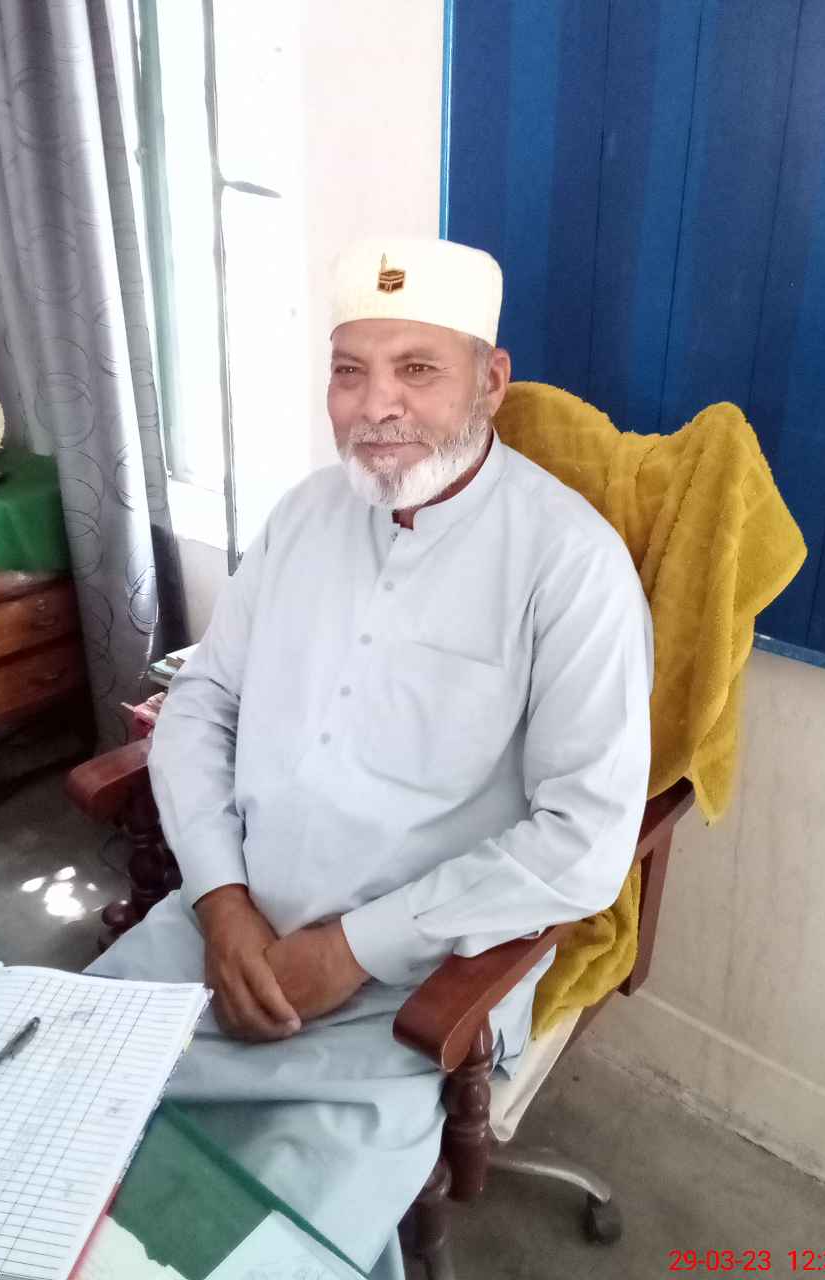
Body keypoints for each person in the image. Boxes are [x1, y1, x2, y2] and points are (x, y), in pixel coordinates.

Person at [88, 236, 653, 1277]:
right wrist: (220, 898)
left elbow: (584, 838)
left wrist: (352, 948)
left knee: (253, 1251)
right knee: (35, 1127)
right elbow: (203, 702)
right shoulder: (304, 516)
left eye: (417, 368)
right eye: (350, 370)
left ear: (491, 380)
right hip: (221, 933)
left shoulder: (572, 566)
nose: (376, 404)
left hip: (410, 998)